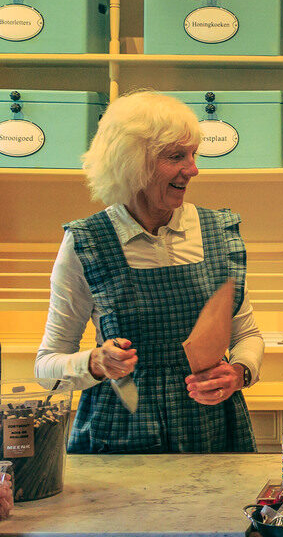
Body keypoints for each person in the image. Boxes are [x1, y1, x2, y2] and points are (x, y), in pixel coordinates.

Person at [34, 90, 263, 453]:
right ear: (131, 163)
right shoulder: (87, 243)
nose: (193, 169)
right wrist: (94, 363)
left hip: (211, 428)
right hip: (121, 433)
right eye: (176, 156)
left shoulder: (218, 233)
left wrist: (239, 373)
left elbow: (247, 335)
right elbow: (46, 368)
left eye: (193, 154)